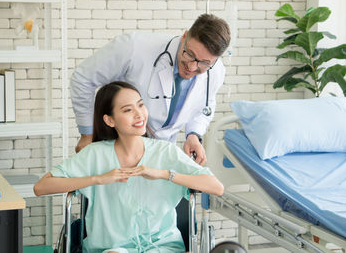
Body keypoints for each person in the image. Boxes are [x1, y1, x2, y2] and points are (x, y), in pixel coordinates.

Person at [34, 81, 224, 253]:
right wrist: (98, 179)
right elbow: (41, 187)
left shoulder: (165, 152)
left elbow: (216, 187)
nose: (139, 114)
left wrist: (164, 174)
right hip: (112, 248)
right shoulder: (95, 154)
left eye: (140, 105)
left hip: (163, 248)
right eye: (127, 110)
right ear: (109, 120)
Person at [71, 14, 231, 165]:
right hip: (117, 145)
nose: (192, 66)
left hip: (161, 152)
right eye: (189, 54)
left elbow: (204, 107)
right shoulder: (133, 47)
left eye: (204, 63)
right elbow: (83, 78)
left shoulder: (215, 72)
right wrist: (87, 134)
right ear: (185, 36)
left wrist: (193, 135)